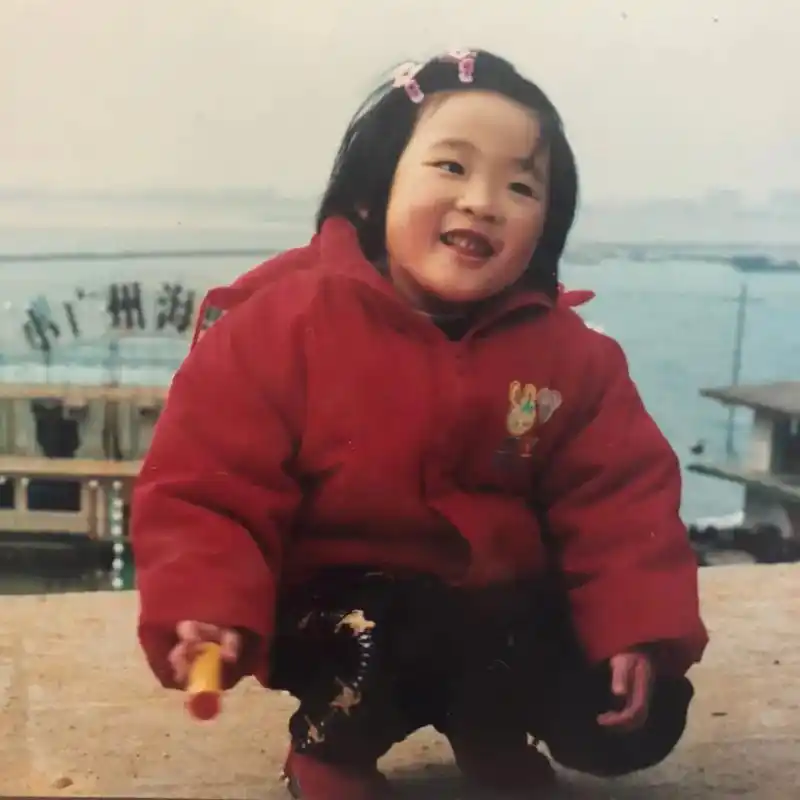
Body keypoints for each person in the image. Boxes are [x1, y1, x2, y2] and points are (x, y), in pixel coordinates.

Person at [131, 49, 709, 799]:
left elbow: (621, 504)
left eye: (521, 186)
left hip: (488, 611)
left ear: (547, 223)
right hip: (337, 614)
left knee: (628, 705)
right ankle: (330, 749)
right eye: (451, 167)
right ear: (373, 192)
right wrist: (206, 606)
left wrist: (634, 631)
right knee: (381, 633)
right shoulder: (278, 329)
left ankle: (489, 727)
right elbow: (208, 488)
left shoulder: (574, 360)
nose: (483, 202)